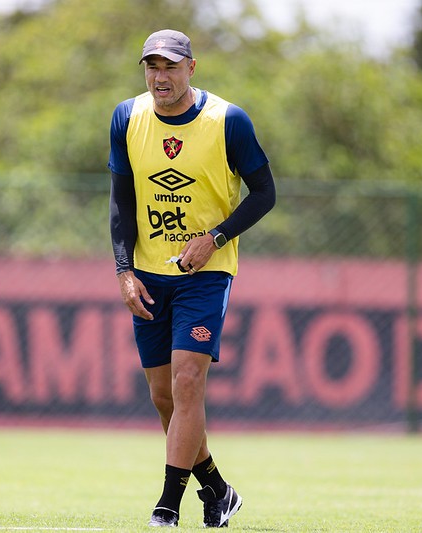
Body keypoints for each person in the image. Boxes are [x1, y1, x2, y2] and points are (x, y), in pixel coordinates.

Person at [108, 29, 276, 528]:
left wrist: (217, 237)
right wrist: (122, 270)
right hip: (147, 274)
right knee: (165, 398)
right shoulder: (126, 117)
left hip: (205, 274)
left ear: (191, 68)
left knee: (187, 382)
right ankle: (219, 490)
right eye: (152, 67)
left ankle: (167, 507)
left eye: (171, 67)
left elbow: (265, 193)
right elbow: (121, 202)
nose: (161, 77)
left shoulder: (229, 121)